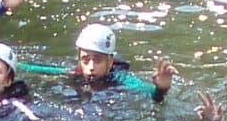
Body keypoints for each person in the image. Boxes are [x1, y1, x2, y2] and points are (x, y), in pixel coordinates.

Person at [19, 24, 176, 100]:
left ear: (110, 61)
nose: (91, 67)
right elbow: (43, 69)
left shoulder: (120, 79)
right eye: (85, 60)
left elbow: (147, 92)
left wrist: (160, 90)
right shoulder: (77, 73)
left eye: (98, 60)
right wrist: (11, 66)